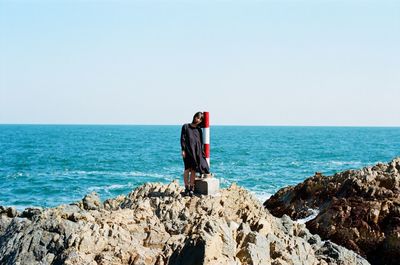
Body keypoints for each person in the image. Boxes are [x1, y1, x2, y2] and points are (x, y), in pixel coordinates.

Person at [180, 112, 210, 196]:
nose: (197, 119)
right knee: (187, 169)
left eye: (200, 119)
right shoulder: (185, 126)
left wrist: (200, 154)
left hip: (195, 152)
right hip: (187, 151)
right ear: (194, 117)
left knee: (193, 170)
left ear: (201, 121)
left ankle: (191, 188)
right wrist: (183, 150)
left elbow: (200, 143)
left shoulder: (199, 130)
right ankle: (186, 188)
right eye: (197, 117)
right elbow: (182, 139)